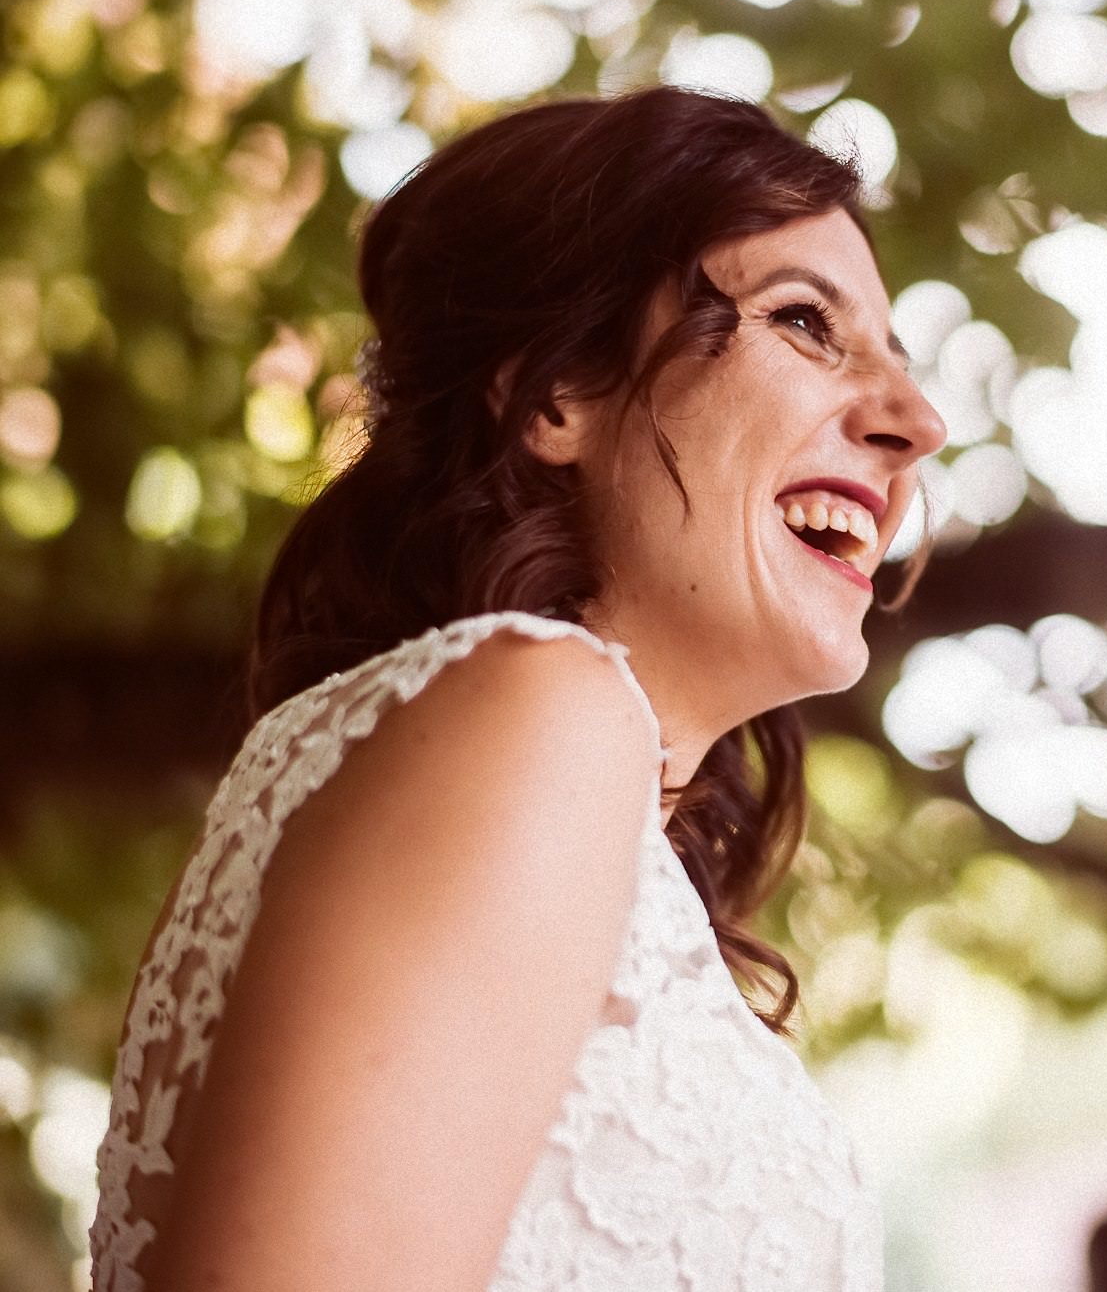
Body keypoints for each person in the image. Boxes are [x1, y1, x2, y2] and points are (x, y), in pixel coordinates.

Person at [88, 85, 949, 1291]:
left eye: (899, 364)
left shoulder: (496, 754)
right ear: (561, 393)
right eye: (807, 322)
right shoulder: (535, 708)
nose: (917, 420)